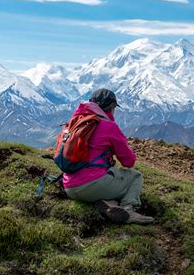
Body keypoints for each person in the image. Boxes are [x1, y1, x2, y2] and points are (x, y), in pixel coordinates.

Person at [62, 88, 154, 224]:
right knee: (135, 176)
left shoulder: (76, 122)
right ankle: (128, 208)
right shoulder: (109, 127)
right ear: (111, 108)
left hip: (69, 187)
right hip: (92, 185)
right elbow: (129, 162)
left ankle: (109, 203)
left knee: (108, 174)